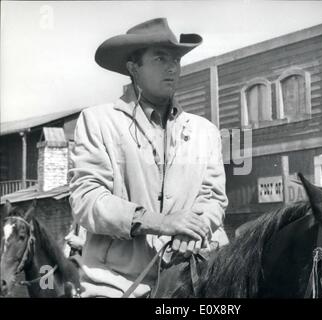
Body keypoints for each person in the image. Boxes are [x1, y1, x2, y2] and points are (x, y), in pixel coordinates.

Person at [69, 18, 229, 298]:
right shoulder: (98, 122)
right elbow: (87, 199)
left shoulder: (205, 131)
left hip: (190, 282)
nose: (172, 67)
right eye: (160, 58)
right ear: (134, 68)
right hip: (115, 286)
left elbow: (213, 197)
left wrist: (193, 228)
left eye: (176, 60)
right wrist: (161, 222)